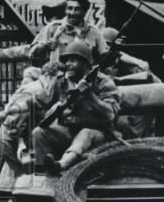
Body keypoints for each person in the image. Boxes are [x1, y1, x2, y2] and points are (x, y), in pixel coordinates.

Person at [32, 42, 120, 175]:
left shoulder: (103, 82)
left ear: (85, 63)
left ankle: (61, 166)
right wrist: (59, 107)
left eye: (73, 60)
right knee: (39, 132)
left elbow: (110, 115)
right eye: (66, 60)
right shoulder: (60, 82)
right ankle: (42, 175)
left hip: (98, 136)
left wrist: (89, 95)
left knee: (85, 132)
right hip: (69, 132)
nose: (68, 64)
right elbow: (45, 112)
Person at [0, 0, 108, 67]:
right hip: (56, 82)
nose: (72, 13)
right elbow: (29, 50)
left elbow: (105, 58)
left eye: (77, 9)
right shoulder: (54, 29)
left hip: (85, 86)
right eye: (69, 8)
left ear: (85, 11)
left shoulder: (93, 33)